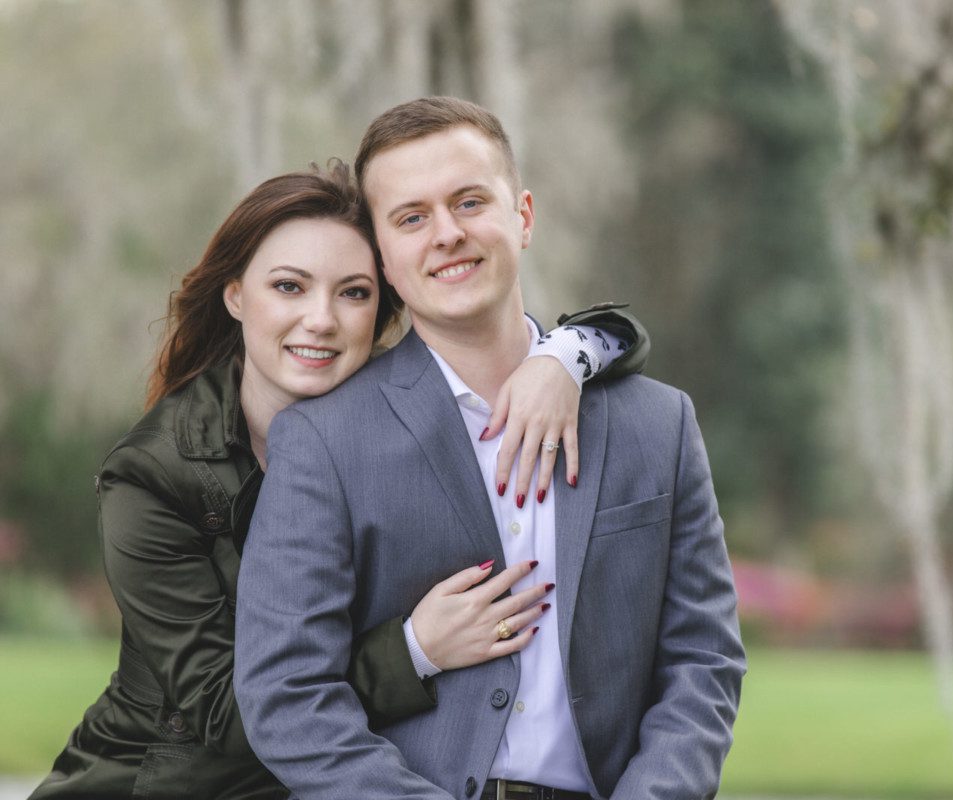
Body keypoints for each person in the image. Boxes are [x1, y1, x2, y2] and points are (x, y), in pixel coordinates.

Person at [29, 159, 650, 800]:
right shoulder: (152, 477)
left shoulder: (400, 419)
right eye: (289, 287)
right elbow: (232, 713)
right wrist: (415, 650)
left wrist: (564, 358)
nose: (321, 319)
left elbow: (581, 334)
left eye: (353, 293)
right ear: (236, 295)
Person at [234, 96, 744, 800]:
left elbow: (703, 661)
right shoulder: (324, 440)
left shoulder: (658, 425)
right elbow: (287, 693)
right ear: (384, 258)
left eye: (469, 202)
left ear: (523, 216)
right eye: (412, 218)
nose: (447, 234)